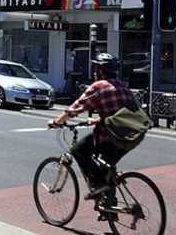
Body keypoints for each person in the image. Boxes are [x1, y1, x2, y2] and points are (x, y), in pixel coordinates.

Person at [48, 53, 137, 200]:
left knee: (78, 150)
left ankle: (98, 185)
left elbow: (75, 108)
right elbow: (120, 112)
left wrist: (56, 121)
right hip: (130, 135)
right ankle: (109, 203)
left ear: (100, 71)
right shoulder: (123, 86)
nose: (94, 72)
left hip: (110, 136)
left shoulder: (98, 86)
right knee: (106, 165)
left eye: (96, 68)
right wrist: (97, 120)